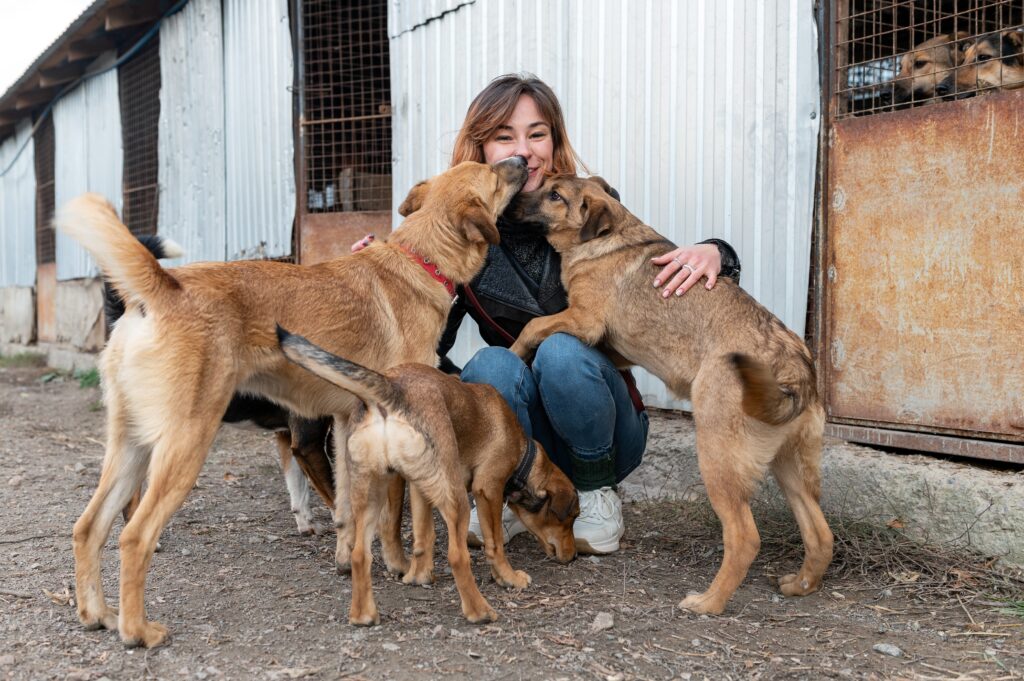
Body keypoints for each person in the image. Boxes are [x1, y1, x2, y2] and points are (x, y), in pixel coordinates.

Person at [353, 74, 741, 554]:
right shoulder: (457, 232)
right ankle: (509, 494)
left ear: (555, 139)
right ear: (481, 147)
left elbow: (658, 274)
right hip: (517, 432)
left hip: (605, 425)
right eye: (505, 137)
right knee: (490, 365)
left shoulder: (591, 204)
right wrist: (388, 281)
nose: (526, 150)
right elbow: (427, 355)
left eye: (537, 134)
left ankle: (597, 491)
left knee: (561, 349)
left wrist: (717, 252)